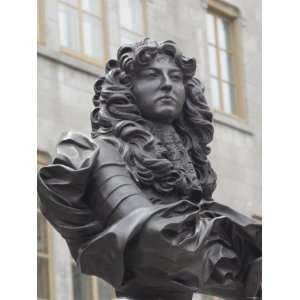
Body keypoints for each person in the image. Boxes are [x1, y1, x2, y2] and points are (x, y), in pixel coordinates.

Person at [38, 39, 261, 300]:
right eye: (151, 75)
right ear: (127, 89)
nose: (167, 84)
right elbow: (157, 239)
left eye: (175, 77)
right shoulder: (100, 153)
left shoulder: (191, 166)